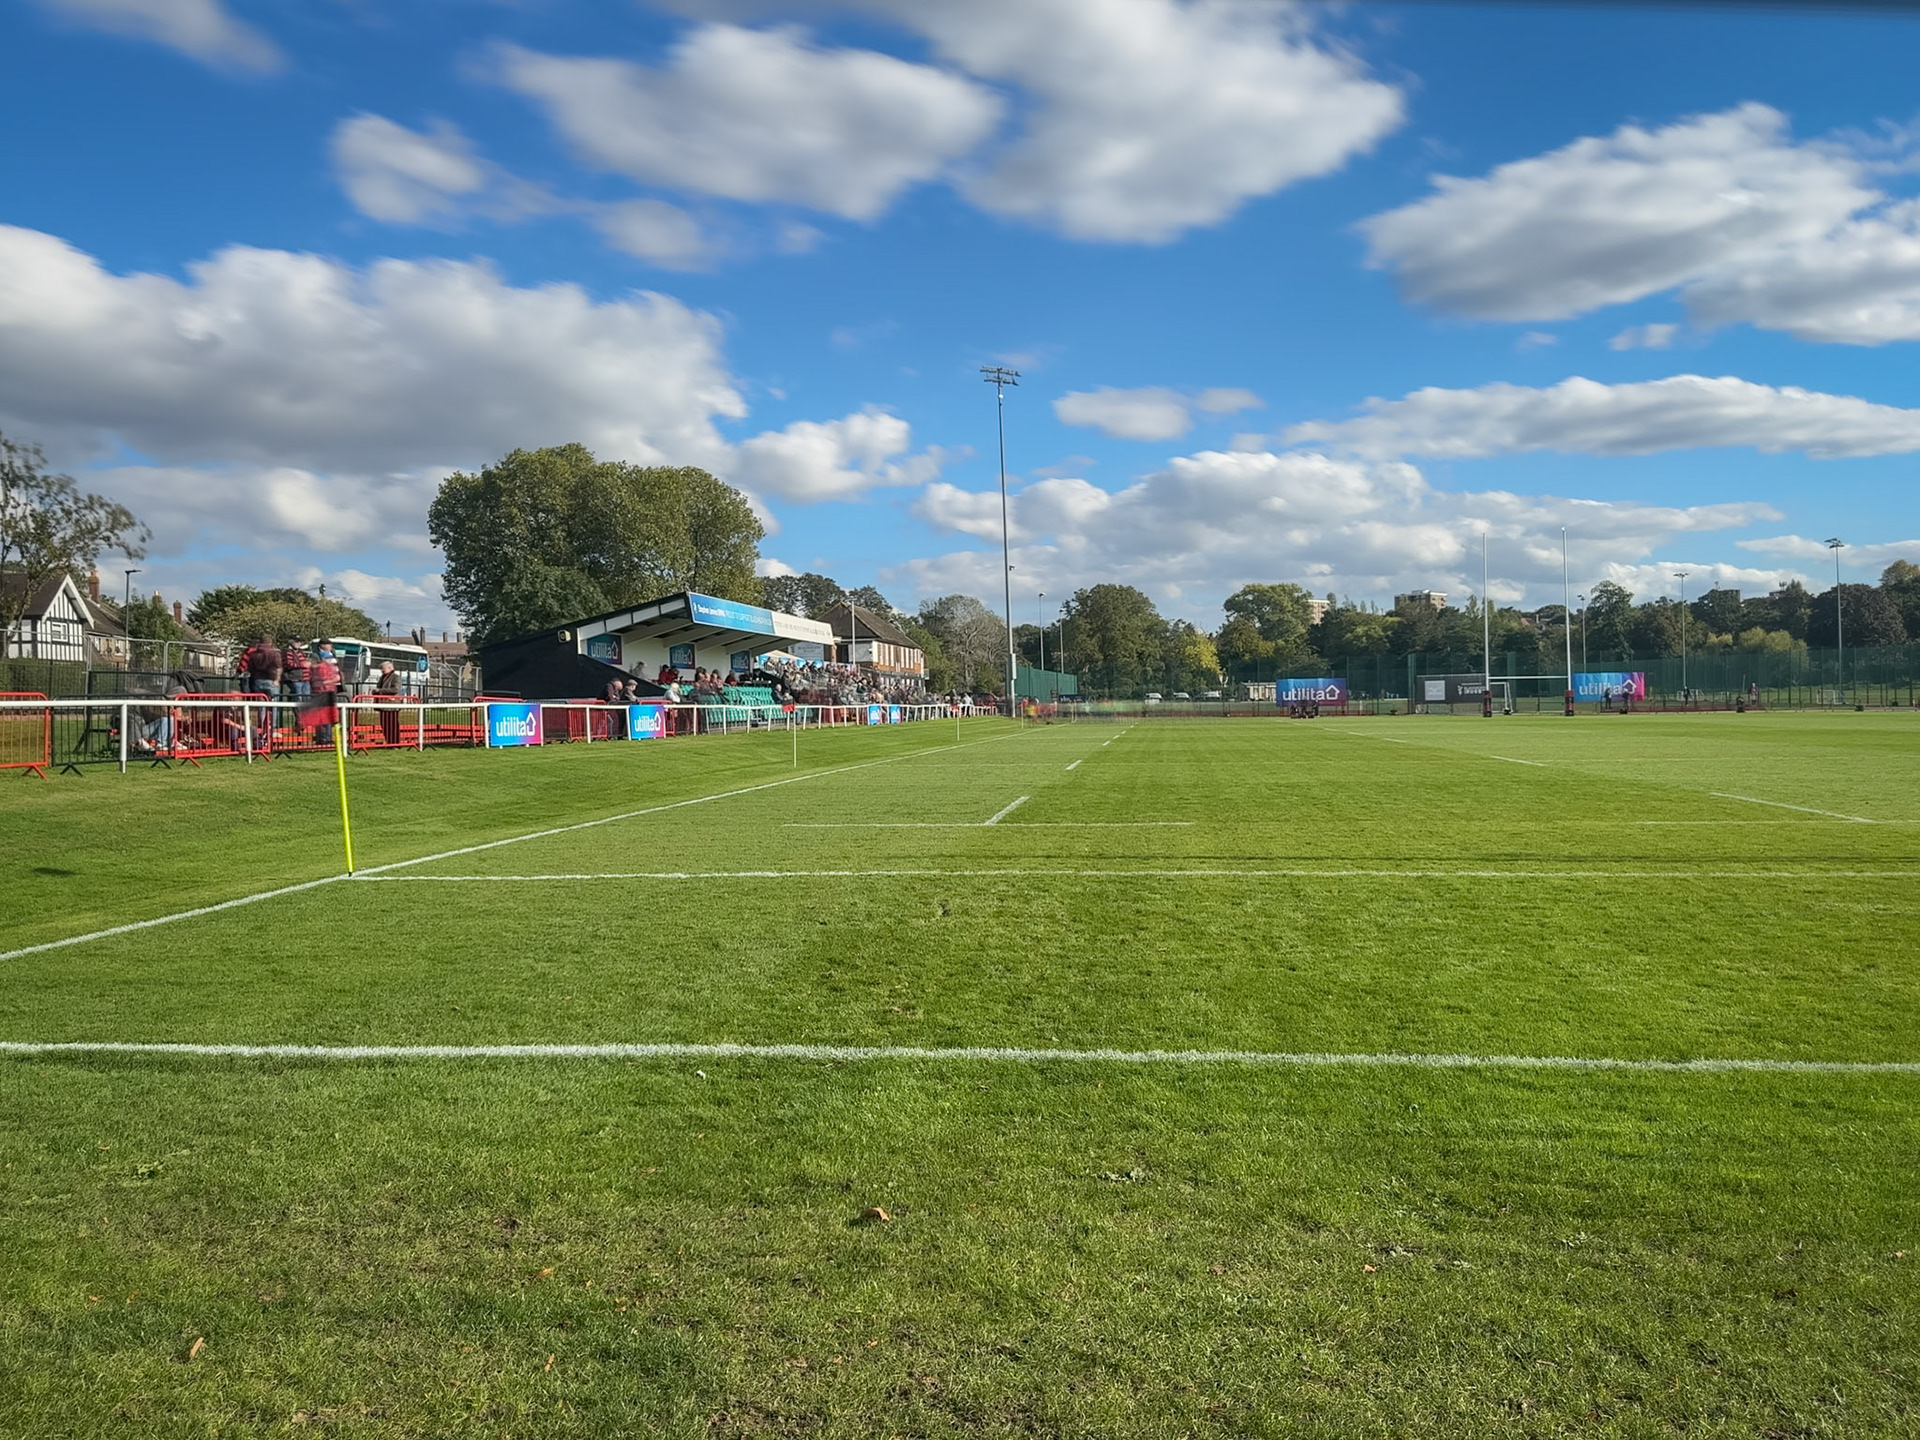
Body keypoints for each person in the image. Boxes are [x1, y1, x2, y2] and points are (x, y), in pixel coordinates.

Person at [309, 642, 342, 746]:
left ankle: (327, 737)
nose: (331, 646)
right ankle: (322, 738)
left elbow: (337, 673)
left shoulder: (333, 655)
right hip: (321, 690)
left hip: (331, 689)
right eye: (328, 644)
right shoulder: (316, 656)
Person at [374, 660, 402, 745]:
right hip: (383, 705)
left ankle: (395, 743)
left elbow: (395, 689)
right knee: (384, 725)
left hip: (392, 705)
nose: (381, 670)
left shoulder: (396, 677)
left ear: (389, 668)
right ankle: (389, 742)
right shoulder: (382, 677)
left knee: (392, 725)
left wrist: (380, 690)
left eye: (383, 669)